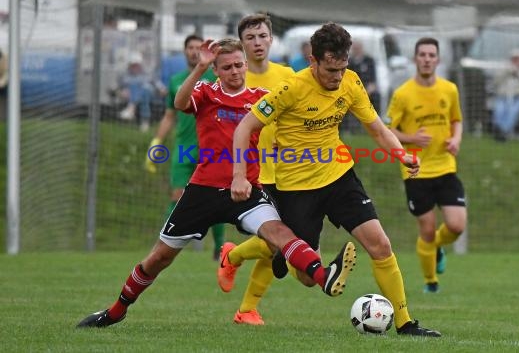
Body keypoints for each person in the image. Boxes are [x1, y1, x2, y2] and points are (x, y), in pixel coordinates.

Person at [76, 38, 356, 329]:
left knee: (279, 233)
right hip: (203, 190)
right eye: (227, 67)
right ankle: (116, 310)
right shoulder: (206, 92)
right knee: (159, 258)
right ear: (218, 71)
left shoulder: (262, 98)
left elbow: (298, 112)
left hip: (245, 188)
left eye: (238, 65)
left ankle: (325, 277)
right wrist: (199, 68)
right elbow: (179, 103)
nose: (234, 71)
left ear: (246, 65)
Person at [230, 23, 441, 337]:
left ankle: (405, 322)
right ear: (312, 61)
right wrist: (238, 175)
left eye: (342, 69)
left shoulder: (351, 83)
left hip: (339, 177)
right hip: (297, 189)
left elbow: (378, 130)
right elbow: (244, 128)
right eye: (330, 70)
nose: (337, 77)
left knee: (380, 244)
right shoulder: (290, 89)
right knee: (305, 278)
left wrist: (402, 155)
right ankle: (276, 253)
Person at [216, 13, 295, 325]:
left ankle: (233, 257)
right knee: (279, 241)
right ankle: (246, 307)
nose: (258, 42)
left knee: (283, 242)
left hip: (288, 171)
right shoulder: (236, 78)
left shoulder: (288, 75)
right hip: (251, 175)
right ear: (242, 43)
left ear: (271, 39)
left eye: (262, 36)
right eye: (250, 38)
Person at [385, 37, 467, 295]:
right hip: (416, 171)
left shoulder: (449, 89)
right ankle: (431, 282)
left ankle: (437, 248)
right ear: (415, 59)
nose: (427, 59)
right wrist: (411, 139)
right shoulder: (403, 94)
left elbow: (457, 120)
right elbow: (388, 130)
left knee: (456, 225)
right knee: (428, 229)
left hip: (445, 166)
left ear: (438, 59)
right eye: (422, 55)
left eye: (432, 55)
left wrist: (455, 139)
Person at [145, 35, 225, 260]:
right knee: (177, 196)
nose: (193, 51)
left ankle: (219, 247)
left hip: (212, 150)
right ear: (184, 52)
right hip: (184, 149)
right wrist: (156, 142)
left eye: (197, 48)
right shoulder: (176, 80)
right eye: (189, 48)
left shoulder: (217, 77)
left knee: (216, 199)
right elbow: (170, 116)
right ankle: (163, 247)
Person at [117, 52, 167, 132]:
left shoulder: (147, 73)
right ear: (129, 65)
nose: (135, 67)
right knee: (141, 91)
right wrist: (122, 91)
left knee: (145, 88)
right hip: (136, 96)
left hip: (151, 95)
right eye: (133, 65)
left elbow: (157, 83)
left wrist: (162, 89)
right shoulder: (125, 75)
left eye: (137, 65)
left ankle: (131, 108)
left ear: (140, 65)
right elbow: (120, 88)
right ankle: (144, 122)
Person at [344, 40, 380, 133]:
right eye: (354, 48)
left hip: (367, 89)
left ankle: (375, 125)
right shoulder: (349, 62)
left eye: (358, 48)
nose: (356, 50)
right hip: (352, 90)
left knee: (376, 96)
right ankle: (347, 128)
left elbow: (373, 80)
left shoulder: (369, 60)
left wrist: (366, 91)